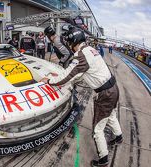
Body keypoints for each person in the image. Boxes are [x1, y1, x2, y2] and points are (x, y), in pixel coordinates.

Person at [40, 27, 123, 167]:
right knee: (112, 114)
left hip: (105, 94)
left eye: (69, 42)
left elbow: (67, 76)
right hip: (114, 88)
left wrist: (49, 81)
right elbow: (82, 74)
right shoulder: (91, 49)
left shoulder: (80, 55)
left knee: (97, 129)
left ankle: (103, 159)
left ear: (73, 42)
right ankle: (119, 137)